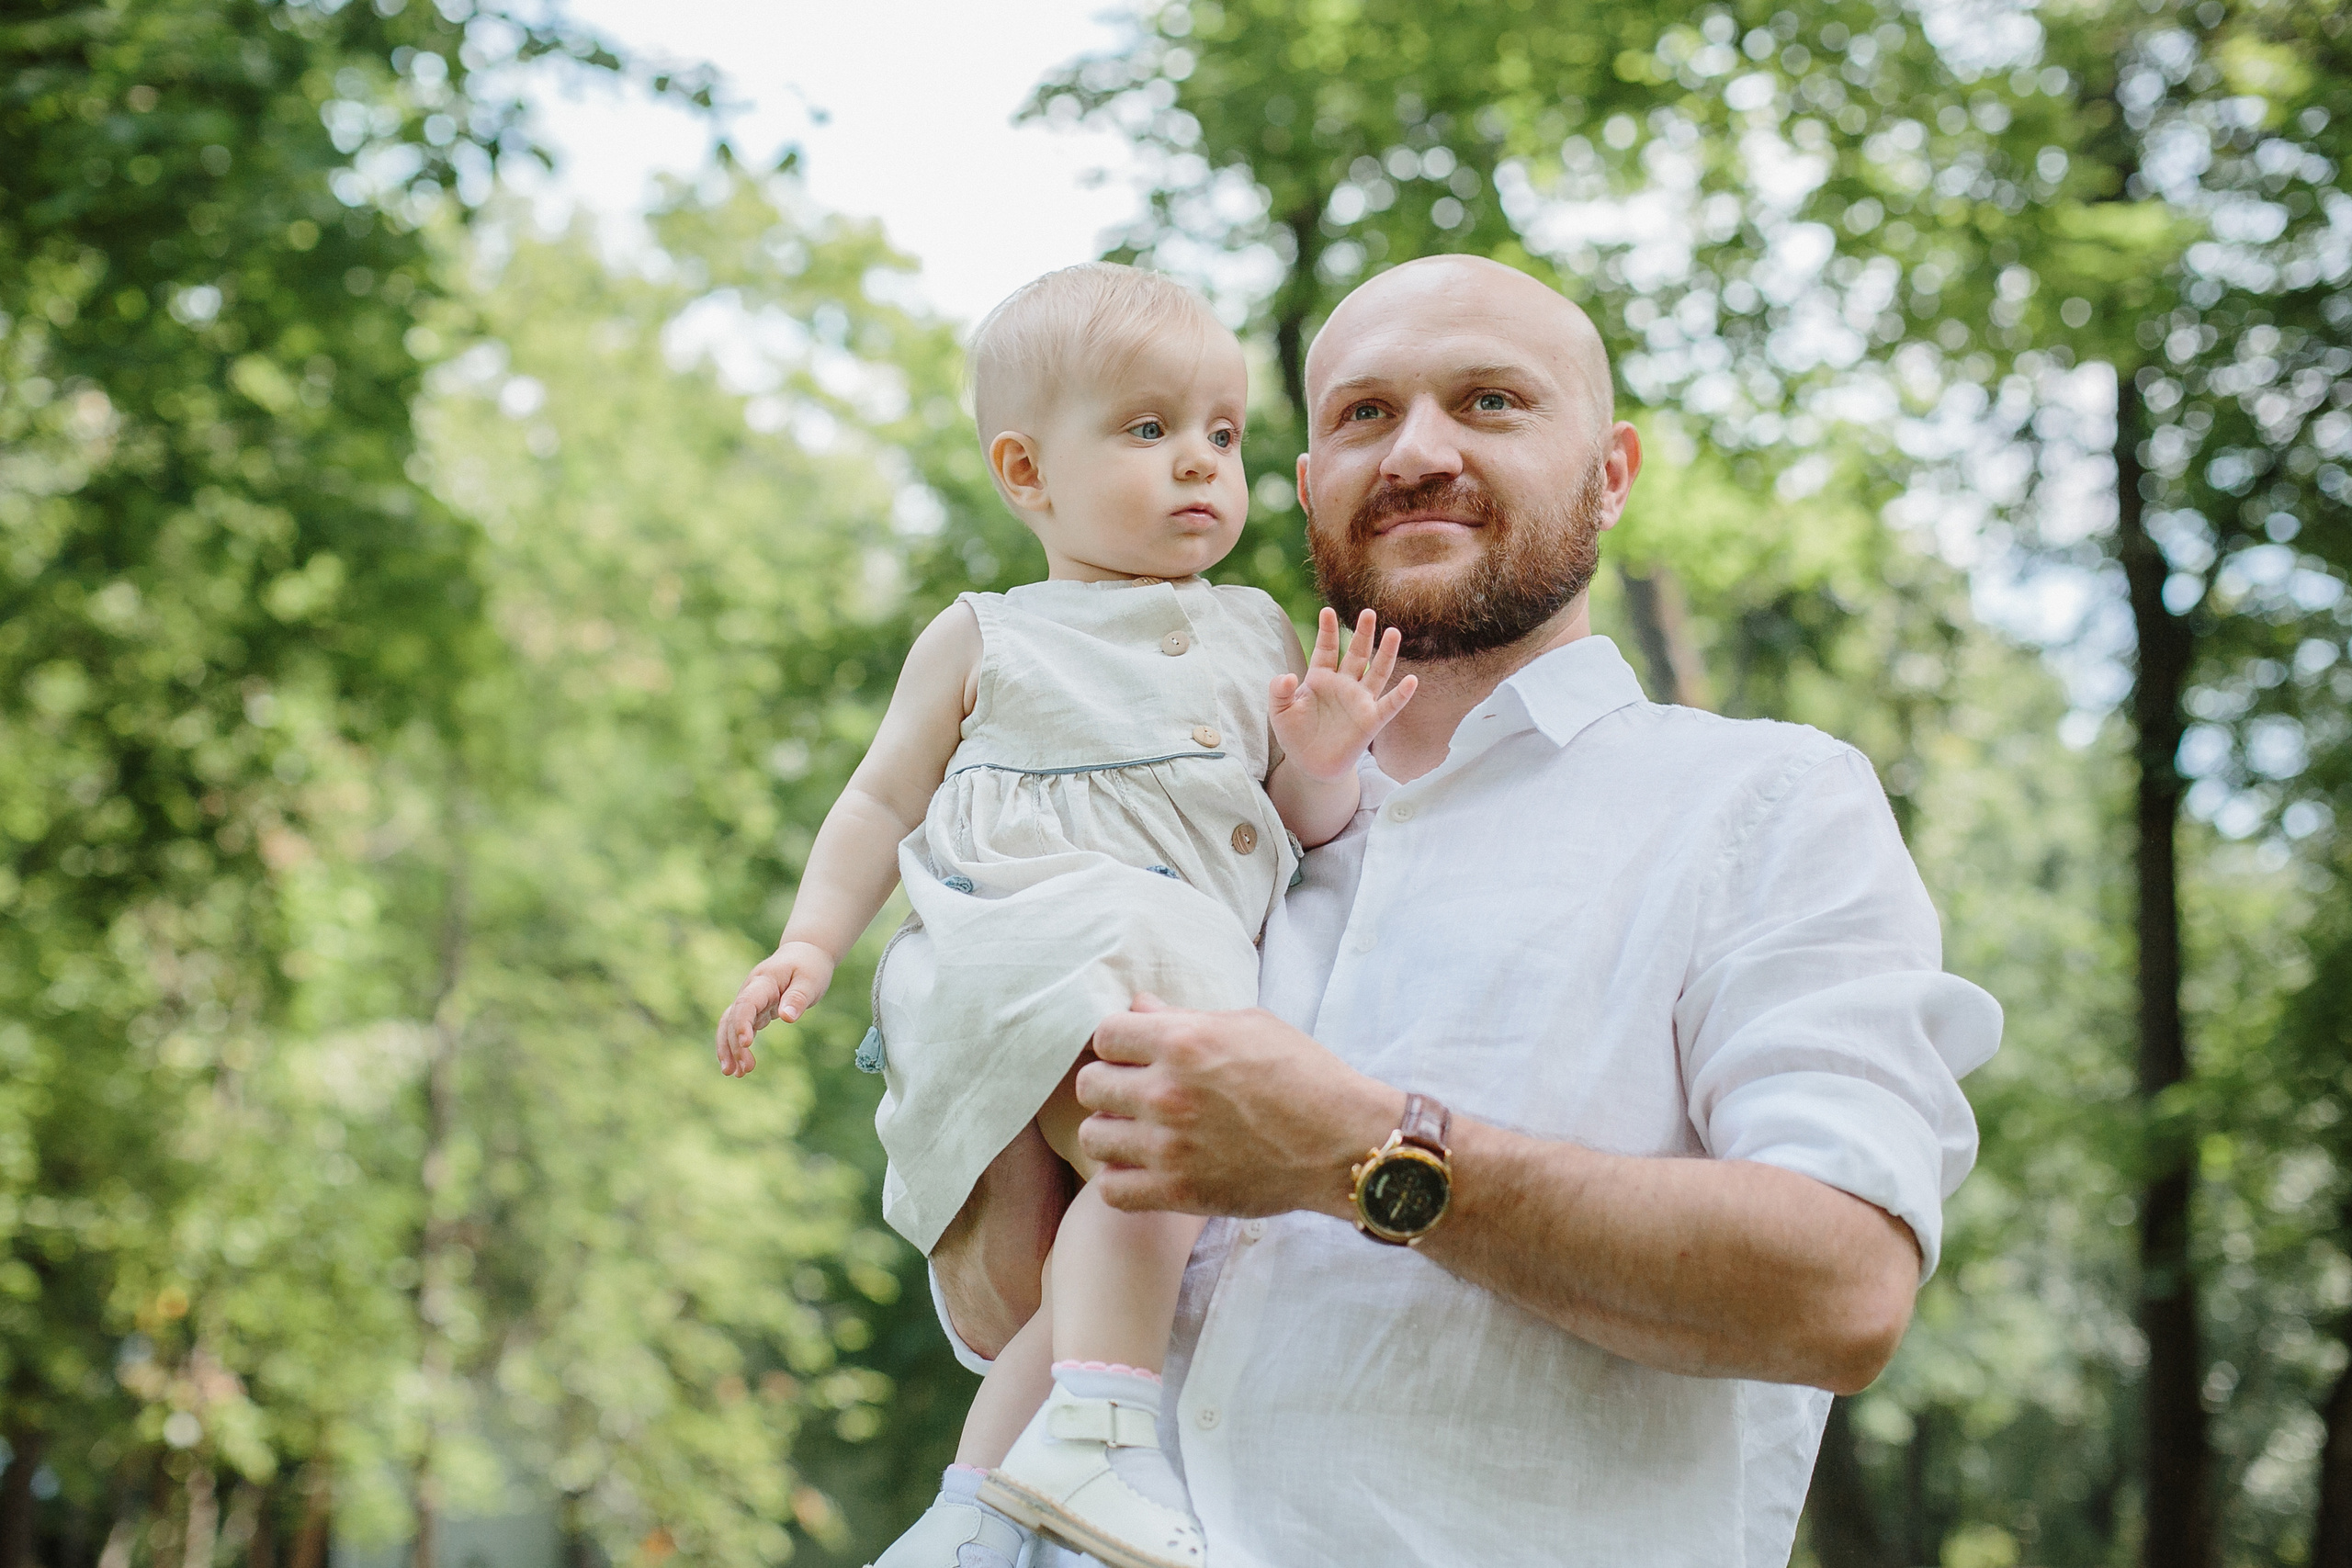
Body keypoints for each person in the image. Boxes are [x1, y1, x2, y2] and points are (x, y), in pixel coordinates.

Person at [929, 254, 2006, 1568]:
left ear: (1612, 473)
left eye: (1490, 402)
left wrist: (1362, 1151)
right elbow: (994, 1304)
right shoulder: (1189, 838)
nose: (1418, 451)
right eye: (1364, 415)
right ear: (1311, 475)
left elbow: (1841, 1290)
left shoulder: (1762, 805)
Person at [713, 264, 1417, 1568]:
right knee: (1171, 1161)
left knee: (1127, 1229)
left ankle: (972, 1514)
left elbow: (1304, 833)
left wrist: (1321, 751)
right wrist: (809, 942)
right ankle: (1096, 1443)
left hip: (1148, 966)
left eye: (1223, 433)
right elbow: (879, 802)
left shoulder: (1256, 629)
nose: (1203, 464)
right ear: (1028, 474)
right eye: (1149, 432)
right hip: (1037, 949)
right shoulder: (986, 636)